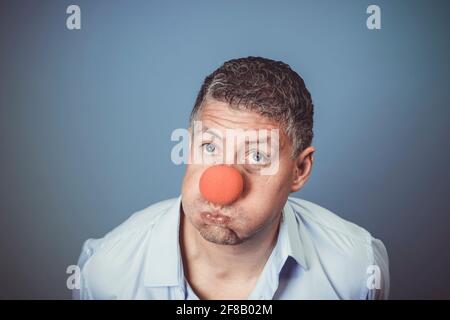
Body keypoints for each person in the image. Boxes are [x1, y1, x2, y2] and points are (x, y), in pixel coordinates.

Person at [73, 56, 389, 300]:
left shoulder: (356, 267)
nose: (222, 187)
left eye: (256, 156)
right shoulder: (108, 272)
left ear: (299, 170)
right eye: (209, 146)